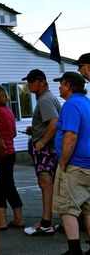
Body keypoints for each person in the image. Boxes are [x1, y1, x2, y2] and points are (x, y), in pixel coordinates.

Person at [53, 71, 90, 255]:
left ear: (68, 85)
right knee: (88, 208)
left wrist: (62, 163)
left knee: (67, 207)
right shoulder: (87, 103)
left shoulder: (71, 105)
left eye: (61, 84)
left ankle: (74, 250)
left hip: (75, 164)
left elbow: (71, 135)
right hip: (88, 163)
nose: (59, 87)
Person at [22, 68, 62, 236]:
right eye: (28, 81)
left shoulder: (45, 100)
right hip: (50, 147)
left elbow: (54, 123)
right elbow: (49, 124)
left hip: (46, 149)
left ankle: (46, 222)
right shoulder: (48, 98)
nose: (29, 84)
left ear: (42, 82)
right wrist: (36, 130)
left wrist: (42, 142)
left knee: (45, 184)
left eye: (32, 81)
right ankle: (49, 220)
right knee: (48, 184)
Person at [0, 85, 25, 230]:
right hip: (11, 151)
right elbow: (14, 133)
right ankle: (18, 218)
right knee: (9, 185)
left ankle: (1, 221)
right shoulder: (9, 112)